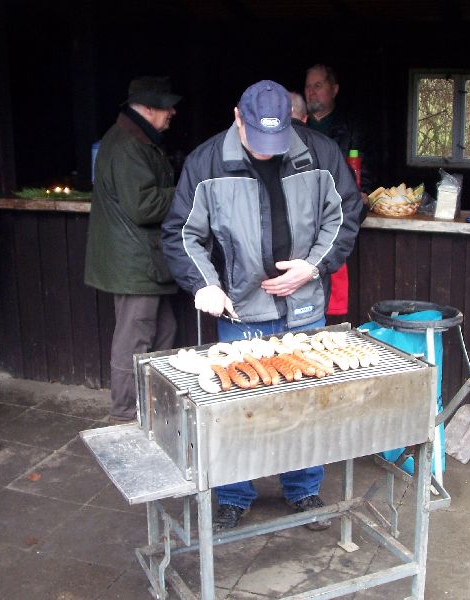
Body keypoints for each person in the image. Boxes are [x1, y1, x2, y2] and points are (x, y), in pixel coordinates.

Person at [162, 80, 362, 532]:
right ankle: (234, 494)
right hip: (241, 308)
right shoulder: (206, 161)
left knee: (305, 402)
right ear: (238, 118)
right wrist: (203, 284)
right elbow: (182, 233)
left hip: (305, 303)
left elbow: (345, 214)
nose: (270, 151)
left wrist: (312, 266)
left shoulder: (320, 152)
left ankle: (303, 488)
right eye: (259, 140)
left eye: (279, 139)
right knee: (238, 407)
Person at [84, 76, 181, 424]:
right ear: (150, 107)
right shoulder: (128, 144)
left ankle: (153, 404)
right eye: (167, 105)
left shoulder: (136, 139)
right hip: (134, 264)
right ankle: (125, 413)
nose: (172, 111)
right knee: (134, 339)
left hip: (143, 262)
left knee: (164, 330)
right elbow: (143, 206)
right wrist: (185, 190)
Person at [304, 64, 377, 201]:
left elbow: (365, 171)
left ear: (334, 90)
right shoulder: (296, 126)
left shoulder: (352, 127)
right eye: (308, 86)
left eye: (318, 85)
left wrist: (360, 195)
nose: (311, 91)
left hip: (340, 204)